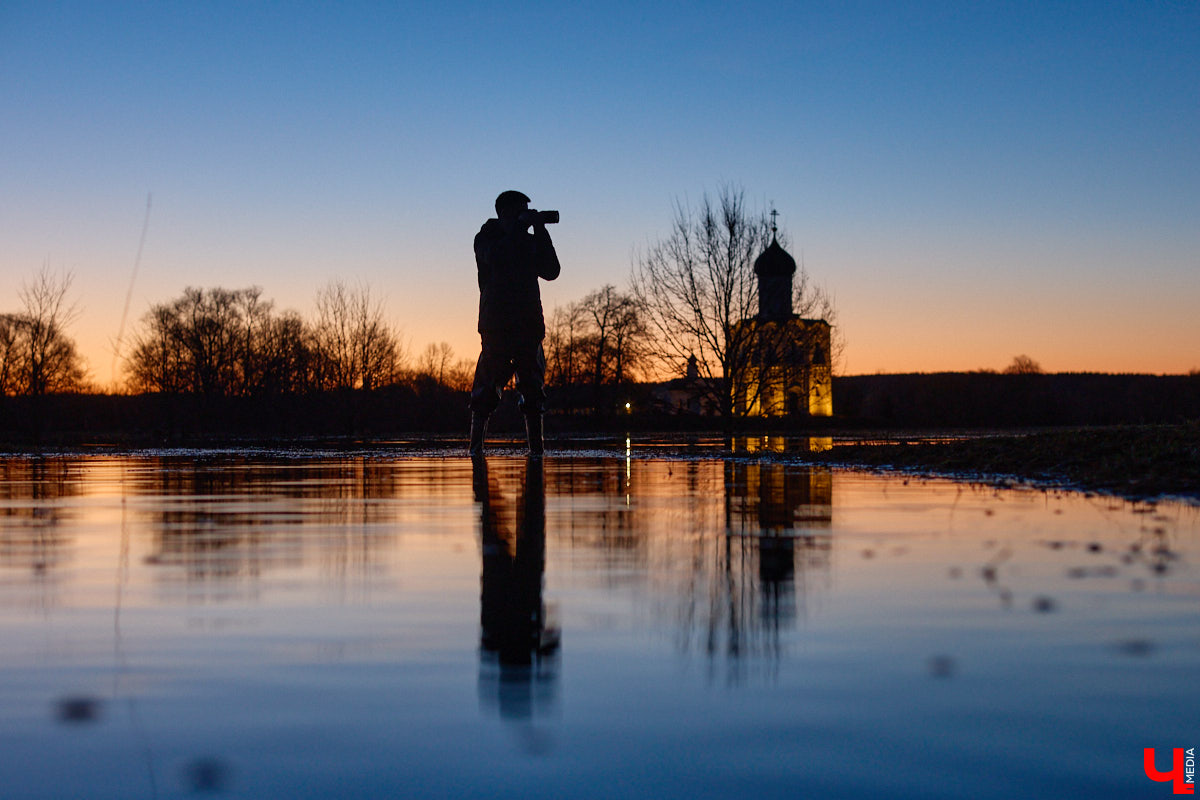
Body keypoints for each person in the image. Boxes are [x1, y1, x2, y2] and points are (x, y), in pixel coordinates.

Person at [469, 190, 560, 456]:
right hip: (497, 326)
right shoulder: (486, 238)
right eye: (521, 211)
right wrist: (520, 228)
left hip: (528, 326)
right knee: (486, 390)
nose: (526, 216)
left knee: (533, 390)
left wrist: (541, 231)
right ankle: (475, 450)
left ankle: (536, 451)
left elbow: (551, 270)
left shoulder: (528, 241)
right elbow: (497, 257)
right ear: (505, 213)